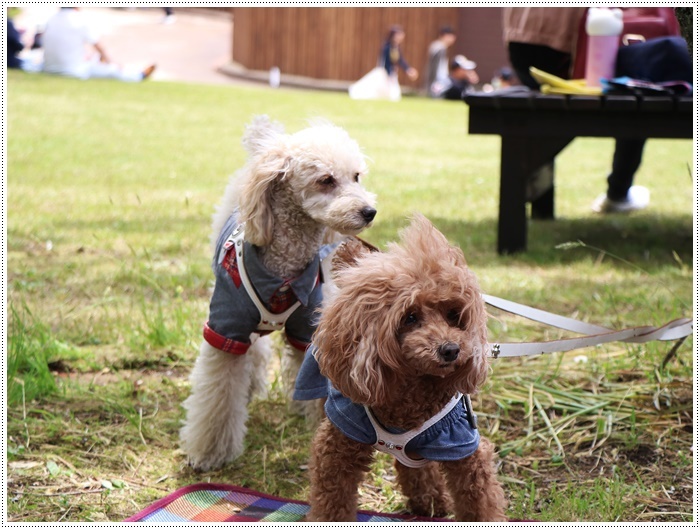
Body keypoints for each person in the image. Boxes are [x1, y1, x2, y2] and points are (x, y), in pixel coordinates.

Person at [503, 7, 652, 214]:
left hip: (520, 39)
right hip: (575, 40)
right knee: (638, 96)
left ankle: (541, 206)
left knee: (545, 118)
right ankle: (618, 192)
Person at [41, 7, 156, 82]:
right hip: (74, 71)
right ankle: (139, 76)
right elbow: (99, 47)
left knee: (93, 58)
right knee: (111, 70)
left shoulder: (51, 19)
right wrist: (112, 63)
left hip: (48, 68)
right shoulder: (79, 20)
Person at [425, 25, 456, 97]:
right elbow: (436, 66)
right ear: (445, 35)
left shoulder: (437, 46)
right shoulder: (440, 48)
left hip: (438, 78)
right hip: (437, 79)